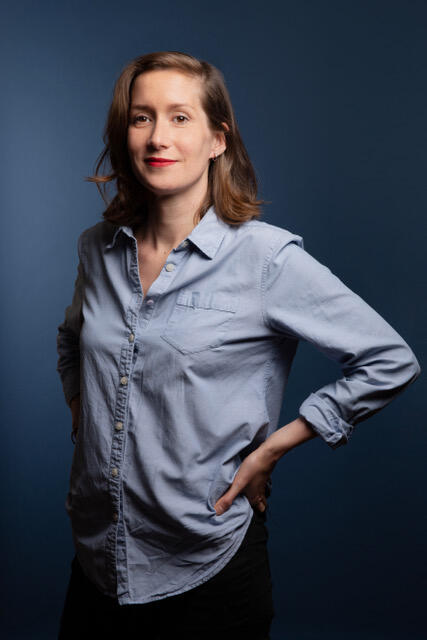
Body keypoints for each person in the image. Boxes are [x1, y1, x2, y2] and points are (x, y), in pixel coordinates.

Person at [56, 51, 421, 639]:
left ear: (217, 140)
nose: (158, 137)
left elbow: (389, 360)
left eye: (180, 117)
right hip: (98, 560)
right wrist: (84, 409)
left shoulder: (264, 259)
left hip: (208, 569)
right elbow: (73, 340)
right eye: (142, 117)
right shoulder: (96, 247)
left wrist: (273, 448)